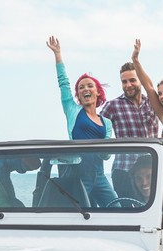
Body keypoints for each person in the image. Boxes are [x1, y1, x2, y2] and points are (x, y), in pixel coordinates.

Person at [46, 36, 118, 207]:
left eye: (89, 86)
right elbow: (63, 83)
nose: (85, 89)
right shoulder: (73, 110)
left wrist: (104, 149)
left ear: (98, 92)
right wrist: (58, 54)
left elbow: (106, 154)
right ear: (77, 95)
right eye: (81, 87)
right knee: (78, 212)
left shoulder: (106, 122)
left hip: (99, 175)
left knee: (116, 207)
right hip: (77, 174)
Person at [100, 62, 159, 193]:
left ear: (141, 81)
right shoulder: (112, 105)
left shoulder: (153, 102)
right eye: (124, 82)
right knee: (128, 210)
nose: (128, 85)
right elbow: (96, 128)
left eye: (132, 80)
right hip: (124, 170)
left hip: (152, 169)